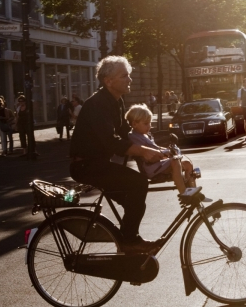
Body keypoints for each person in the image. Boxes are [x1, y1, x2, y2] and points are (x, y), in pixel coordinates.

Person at [69, 55, 166, 255]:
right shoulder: (97, 104)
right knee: (139, 184)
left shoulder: (116, 101)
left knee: (134, 200)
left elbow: (125, 135)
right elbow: (111, 142)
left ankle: (127, 245)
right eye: (124, 76)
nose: (129, 79)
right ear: (108, 81)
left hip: (98, 164)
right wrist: (143, 151)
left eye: (128, 75)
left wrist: (153, 146)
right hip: (87, 166)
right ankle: (129, 242)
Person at [125, 104, 195, 194]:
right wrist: (166, 153)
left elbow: (156, 147)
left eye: (150, 123)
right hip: (150, 167)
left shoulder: (145, 135)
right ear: (134, 124)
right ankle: (184, 192)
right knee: (175, 161)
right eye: (146, 123)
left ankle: (193, 191)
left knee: (187, 163)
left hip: (158, 164)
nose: (149, 126)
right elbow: (148, 154)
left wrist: (167, 149)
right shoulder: (134, 136)